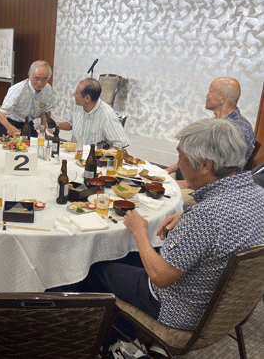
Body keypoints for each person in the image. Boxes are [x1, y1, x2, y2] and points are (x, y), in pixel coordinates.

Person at [52, 118, 264, 359]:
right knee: (132, 257)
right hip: (225, 308)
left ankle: (124, 347)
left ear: (205, 165)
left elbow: (161, 277)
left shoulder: (206, 216)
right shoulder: (257, 194)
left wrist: (139, 231)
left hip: (181, 310)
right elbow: (227, 226)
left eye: (182, 157)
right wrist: (185, 215)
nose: (179, 164)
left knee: (92, 267)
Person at [166, 77, 256, 208]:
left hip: (200, 187)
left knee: (163, 197)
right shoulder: (217, 123)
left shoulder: (238, 130)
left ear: (222, 98)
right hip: (189, 176)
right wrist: (168, 170)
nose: (207, 96)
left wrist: (186, 183)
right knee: (148, 181)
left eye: (210, 91)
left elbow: (228, 175)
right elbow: (193, 155)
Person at [56, 78, 129, 146]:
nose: (73, 94)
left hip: (93, 154)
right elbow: (71, 123)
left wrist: (104, 151)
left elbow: (121, 142)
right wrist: (57, 125)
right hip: (74, 151)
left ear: (87, 98)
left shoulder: (107, 115)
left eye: (77, 93)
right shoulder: (77, 105)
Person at [0, 60, 55, 137]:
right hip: (11, 123)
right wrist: (9, 127)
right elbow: (1, 113)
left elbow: (45, 113)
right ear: (29, 75)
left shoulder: (48, 89)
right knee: (17, 143)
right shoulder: (18, 90)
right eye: (36, 78)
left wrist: (42, 132)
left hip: (28, 123)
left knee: (36, 142)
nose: (40, 83)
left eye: (44, 79)